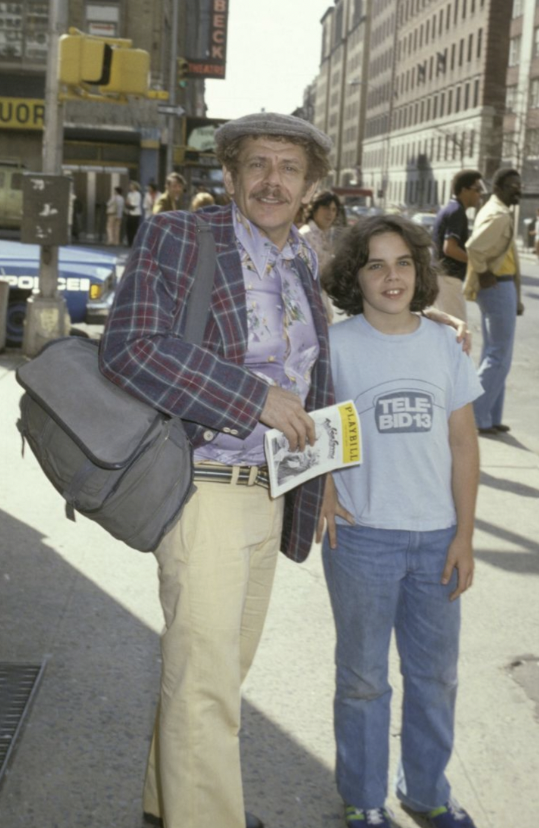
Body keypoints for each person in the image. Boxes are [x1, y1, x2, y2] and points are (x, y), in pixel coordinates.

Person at [99, 112, 335, 828]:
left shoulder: (301, 261)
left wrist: (322, 478)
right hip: (202, 490)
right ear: (229, 176)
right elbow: (129, 348)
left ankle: (167, 803)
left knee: (215, 676)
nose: (272, 180)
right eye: (257, 165)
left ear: (309, 187)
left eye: (288, 169)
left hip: (269, 493)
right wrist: (250, 396)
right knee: (206, 689)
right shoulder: (180, 236)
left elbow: (313, 380)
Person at [319, 214, 482, 828]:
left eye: (404, 263)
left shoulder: (445, 344)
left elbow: (464, 444)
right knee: (362, 679)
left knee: (435, 676)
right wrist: (327, 486)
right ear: (353, 276)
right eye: (375, 264)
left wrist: (465, 535)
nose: (392, 277)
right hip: (363, 540)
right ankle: (364, 799)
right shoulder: (336, 345)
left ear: (420, 270)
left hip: (437, 536)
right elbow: (316, 424)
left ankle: (426, 791)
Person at [464, 168, 524, 436]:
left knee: (498, 355)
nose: (518, 190)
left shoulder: (496, 210)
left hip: (503, 286)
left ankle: (489, 416)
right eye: (512, 186)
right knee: (499, 356)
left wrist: (518, 296)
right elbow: (474, 247)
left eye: (519, 185)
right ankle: (475, 416)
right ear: (498, 188)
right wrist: (484, 272)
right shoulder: (498, 215)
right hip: (498, 285)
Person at [432, 169, 484, 321]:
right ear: (464, 190)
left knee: (444, 330)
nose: (479, 194)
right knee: (458, 331)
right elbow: (450, 248)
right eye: (477, 189)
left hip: (441, 277)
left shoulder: (450, 208)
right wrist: (475, 262)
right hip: (448, 278)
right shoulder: (457, 212)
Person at [299, 190, 341, 272]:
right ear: (314, 210)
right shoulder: (304, 236)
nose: (330, 213)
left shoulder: (333, 236)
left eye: (333, 210)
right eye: (326, 208)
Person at [125, 180, 143, 246]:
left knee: (134, 228)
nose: (130, 187)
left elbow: (136, 204)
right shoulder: (129, 194)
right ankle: (129, 242)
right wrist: (128, 204)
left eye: (132, 185)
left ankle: (134, 243)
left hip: (135, 213)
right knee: (128, 228)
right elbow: (127, 202)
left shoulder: (138, 194)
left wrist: (130, 203)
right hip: (129, 212)